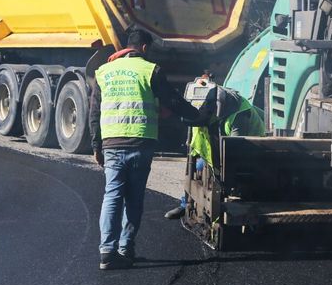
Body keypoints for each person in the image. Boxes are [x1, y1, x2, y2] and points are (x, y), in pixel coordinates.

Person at [89, 27, 199, 270]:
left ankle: (107, 251)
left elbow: (94, 113)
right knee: (134, 199)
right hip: (141, 144)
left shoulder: (104, 72)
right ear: (145, 48)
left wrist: (96, 145)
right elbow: (173, 101)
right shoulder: (150, 70)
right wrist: (199, 117)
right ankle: (126, 249)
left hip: (112, 145)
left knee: (112, 196)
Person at [164, 85, 266, 220]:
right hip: (216, 149)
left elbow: (234, 151)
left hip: (251, 151)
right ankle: (186, 203)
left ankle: (235, 202)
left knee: (232, 176)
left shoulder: (238, 116)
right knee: (199, 166)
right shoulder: (205, 111)